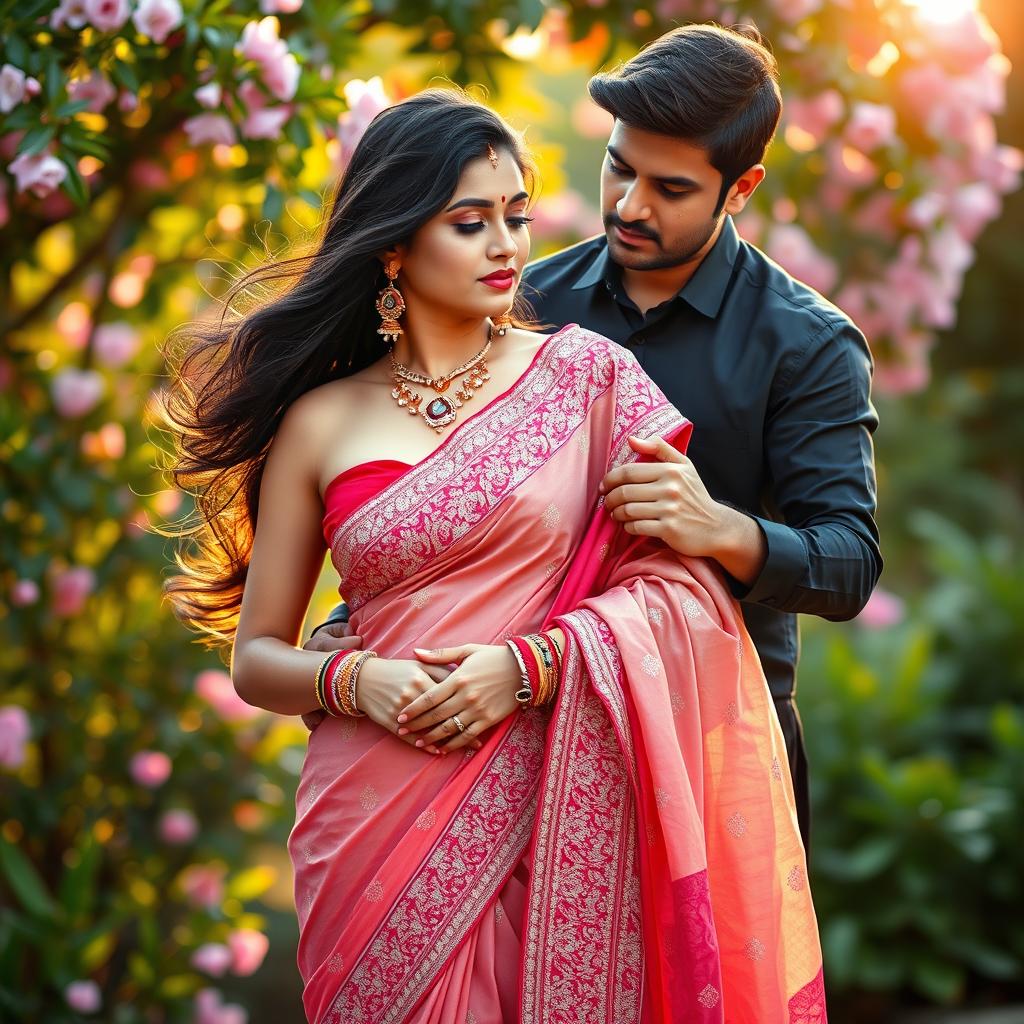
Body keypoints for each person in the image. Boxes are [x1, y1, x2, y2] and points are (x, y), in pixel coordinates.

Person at [164, 89, 826, 1022]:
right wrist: (362, 682)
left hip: (559, 792)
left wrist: (529, 667)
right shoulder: (321, 421)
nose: (508, 246)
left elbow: (679, 593)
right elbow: (259, 659)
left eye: (516, 217)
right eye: (471, 223)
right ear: (394, 244)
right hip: (372, 814)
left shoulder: (588, 379)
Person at [313, 25, 881, 858]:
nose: (629, 204)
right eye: (620, 166)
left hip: (709, 746)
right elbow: (437, 478)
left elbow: (849, 562)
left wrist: (718, 527)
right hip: (514, 749)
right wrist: (355, 628)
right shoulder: (527, 298)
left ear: (742, 187)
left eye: (672, 187)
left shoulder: (805, 344)